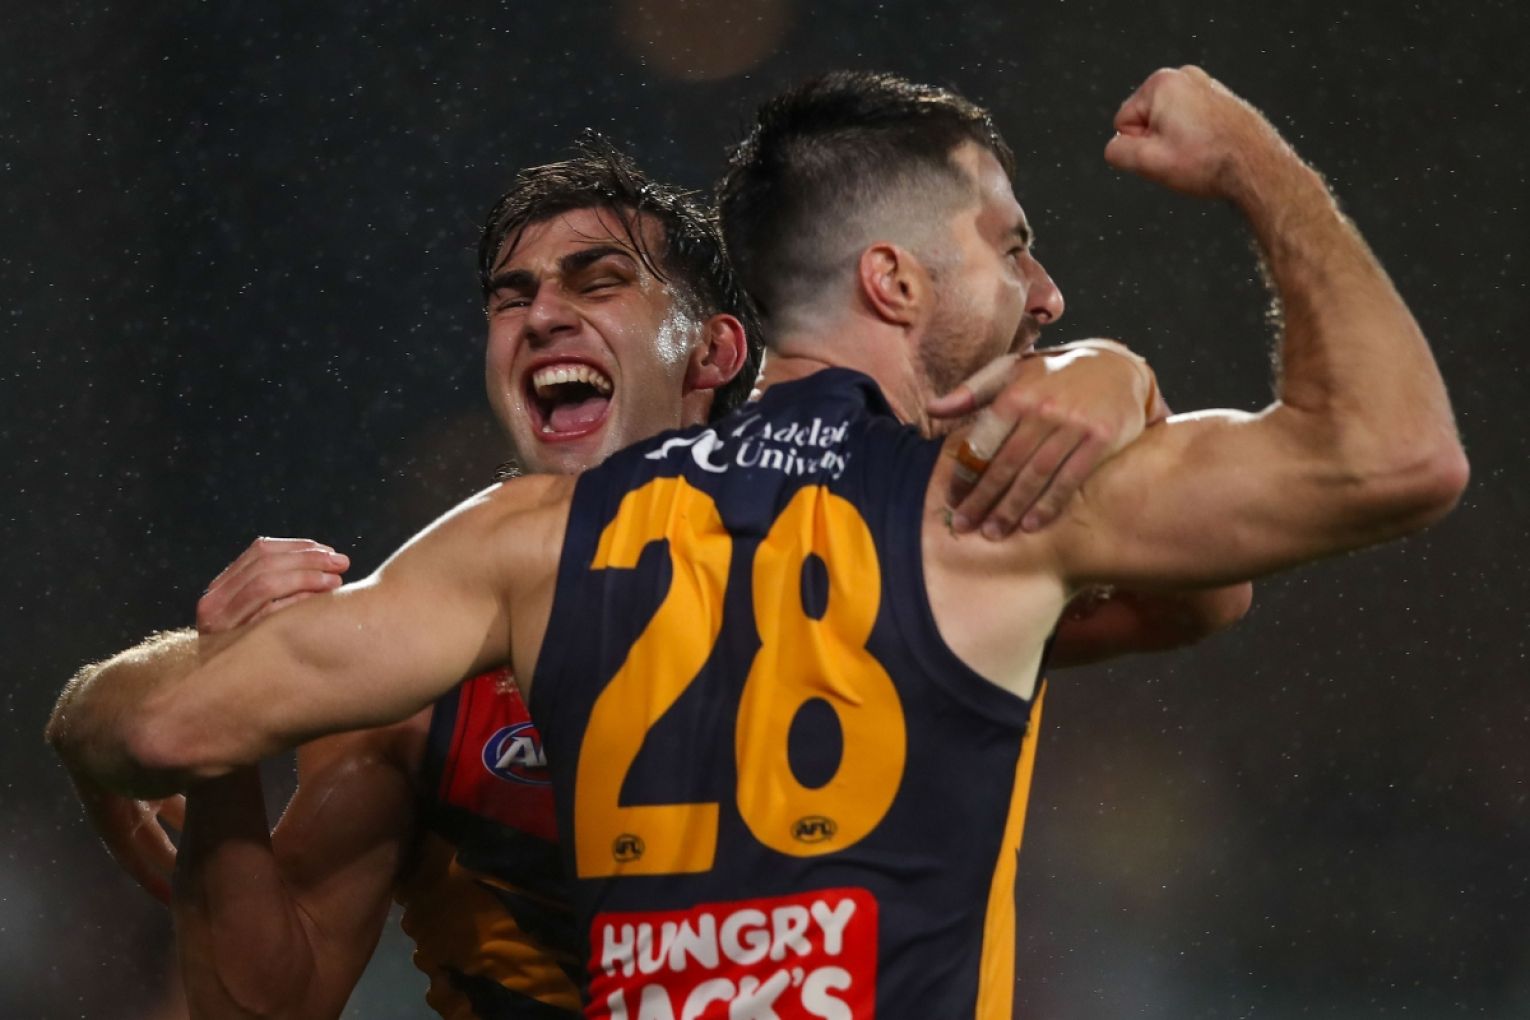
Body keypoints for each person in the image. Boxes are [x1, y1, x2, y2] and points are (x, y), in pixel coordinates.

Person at [50, 64, 1469, 1017]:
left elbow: (139, 726)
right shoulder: (963, 513)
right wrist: (1232, 202)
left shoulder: (505, 561)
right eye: (510, 293)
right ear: (895, 278)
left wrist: (1116, 372)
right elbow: (1364, 480)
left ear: (720, 346)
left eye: (596, 279)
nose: (539, 314)